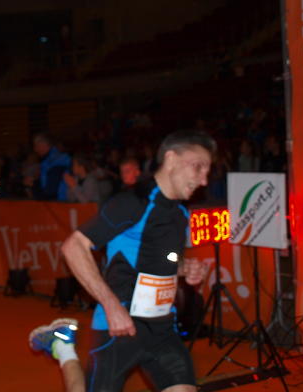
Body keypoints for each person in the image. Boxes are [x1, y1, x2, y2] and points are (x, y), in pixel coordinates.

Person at [53, 129, 214, 392]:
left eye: (207, 171)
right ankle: (62, 347)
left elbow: (162, 258)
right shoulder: (132, 202)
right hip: (120, 326)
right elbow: (73, 247)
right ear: (171, 159)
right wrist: (111, 306)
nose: (204, 180)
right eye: (198, 167)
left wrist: (185, 268)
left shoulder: (180, 214)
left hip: (162, 329)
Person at [24, 132, 71, 201]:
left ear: (43, 145)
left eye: (36, 146)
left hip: (58, 203)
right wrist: (33, 182)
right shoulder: (47, 162)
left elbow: (51, 191)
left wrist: (33, 185)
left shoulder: (56, 161)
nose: (35, 150)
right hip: (54, 202)